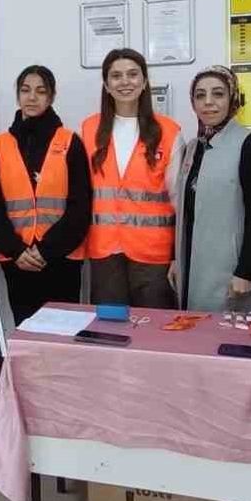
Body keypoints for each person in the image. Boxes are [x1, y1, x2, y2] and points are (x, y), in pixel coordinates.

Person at [0, 66, 92, 324]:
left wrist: (45, 251)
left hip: (60, 260)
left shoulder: (70, 142)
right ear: (18, 95)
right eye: (25, 90)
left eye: (40, 91)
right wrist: (16, 250)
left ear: (52, 97)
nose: (32, 97)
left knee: (64, 338)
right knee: (27, 336)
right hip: (16, 260)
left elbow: (80, 207)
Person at [81, 48, 184, 308]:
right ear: (106, 85)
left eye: (132, 74)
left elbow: (179, 201)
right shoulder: (89, 129)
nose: (125, 82)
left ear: (145, 81)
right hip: (104, 252)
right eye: (116, 76)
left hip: (154, 255)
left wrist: (177, 256)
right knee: (110, 333)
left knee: (153, 334)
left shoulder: (169, 132)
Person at [171, 66, 251, 312]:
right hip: (192, 265)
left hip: (230, 269)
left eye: (218, 94)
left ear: (232, 98)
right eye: (200, 95)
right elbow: (187, 210)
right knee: (197, 337)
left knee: (229, 339)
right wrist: (176, 259)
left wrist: (246, 271)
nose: (208, 103)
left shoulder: (248, 144)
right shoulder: (193, 147)